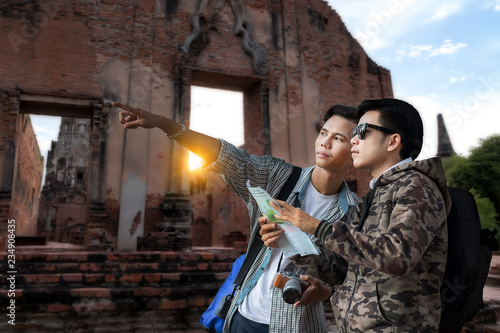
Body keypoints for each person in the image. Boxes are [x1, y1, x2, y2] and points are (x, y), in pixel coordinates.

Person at [114, 101, 359, 332]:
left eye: (338, 138)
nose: (325, 143)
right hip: (243, 314)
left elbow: (355, 277)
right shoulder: (279, 176)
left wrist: (326, 292)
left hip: (298, 324)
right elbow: (228, 157)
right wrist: (166, 124)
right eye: (324, 133)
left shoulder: (355, 212)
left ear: (355, 149)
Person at [261, 98, 452, 332]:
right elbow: (341, 270)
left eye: (362, 132)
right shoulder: (371, 197)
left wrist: (314, 226)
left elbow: (397, 256)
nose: (353, 139)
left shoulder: (416, 186)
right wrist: (290, 240)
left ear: (393, 141)